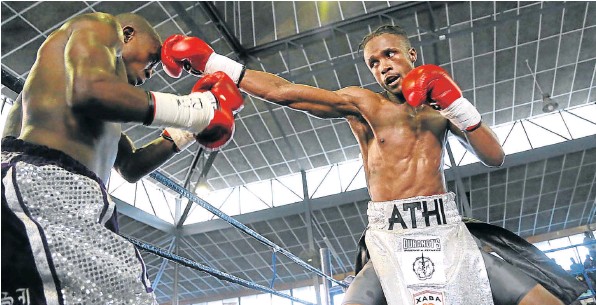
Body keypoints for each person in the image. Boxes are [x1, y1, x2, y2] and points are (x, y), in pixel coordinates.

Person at [159, 25, 587, 305]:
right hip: (389, 241)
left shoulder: (442, 109)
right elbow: (286, 92)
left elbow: (495, 156)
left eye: (389, 56)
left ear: (411, 55)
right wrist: (212, 61)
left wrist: (456, 102)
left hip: (448, 233)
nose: (383, 67)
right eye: (374, 63)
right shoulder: (364, 104)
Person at [1, 12, 243, 304]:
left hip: (81, 201)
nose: (151, 73)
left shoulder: (103, 117)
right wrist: (196, 109)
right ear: (128, 34)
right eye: (153, 60)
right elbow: (89, 91)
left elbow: (130, 167)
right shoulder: (100, 26)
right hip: (39, 184)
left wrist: (188, 130)